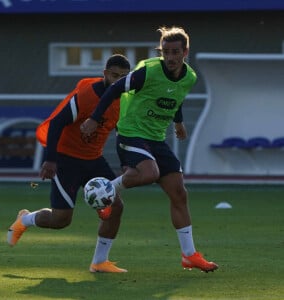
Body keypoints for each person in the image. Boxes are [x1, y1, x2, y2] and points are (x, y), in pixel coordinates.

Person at [80, 26, 218, 272]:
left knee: (179, 193)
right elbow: (114, 89)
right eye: (166, 51)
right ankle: (104, 194)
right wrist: (93, 119)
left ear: (185, 52)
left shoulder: (190, 77)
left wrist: (178, 122)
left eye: (175, 52)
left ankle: (189, 255)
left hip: (155, 138)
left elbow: (175, 97)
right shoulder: (148, 72)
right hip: (131, 132)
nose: (170, 57)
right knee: (150, 172)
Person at [7, 54, 131, 273]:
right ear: (105, 74)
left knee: (116, 206)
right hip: (67, 159)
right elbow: (57, 123)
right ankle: (25, 220)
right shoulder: (86, 95)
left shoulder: (124, 100)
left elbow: (123, 133)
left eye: (123, 77)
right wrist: (51, 160)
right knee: (61, 219)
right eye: (114, 76)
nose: (118, 81)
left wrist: (126, 162)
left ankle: (99, 261)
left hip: (94, 159)